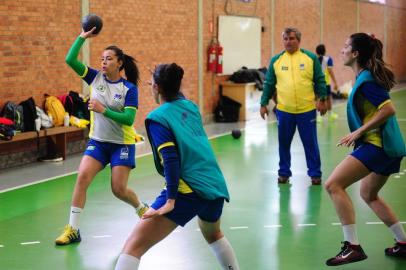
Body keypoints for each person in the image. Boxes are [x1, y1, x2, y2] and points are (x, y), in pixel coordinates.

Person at [114, 63, 240, 270]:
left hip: (187, 190)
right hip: (214, 185)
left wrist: (171, 199)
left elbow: (171, 160)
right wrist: (163, 83)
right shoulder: (190, 106)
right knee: (213, 233)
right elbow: (174, 95)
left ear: (156, 88)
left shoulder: (157, 119)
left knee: (132, 246)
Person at [55, 27, 148, 245]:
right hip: (98, 141)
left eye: (109, 59)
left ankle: (141, 207)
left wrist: (102, 109)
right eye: (102, 59)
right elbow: (70, 59)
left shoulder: (129, 89)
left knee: (118, 189)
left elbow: (128, 119)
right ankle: (73, 229)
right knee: (82, 178)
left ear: (120, 63)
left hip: (121, 144)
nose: (104, 62)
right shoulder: (95, 78)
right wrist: (81, 37)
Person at [324, 33, 406, 266]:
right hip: (387, 149)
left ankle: (353, 247)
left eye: (346, 46)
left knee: (333, 185)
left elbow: (388, 109)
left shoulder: (367, 80)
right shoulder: (363, 77)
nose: (342, 50)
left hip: (377, 146)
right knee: (368, 194)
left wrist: (359, 132)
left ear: (356, 53)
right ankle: (403, 243)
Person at [260, 27, 327, 185]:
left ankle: (315, 174)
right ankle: (284, 173)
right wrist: (263, 103)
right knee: (283, 144)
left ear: (299, 40)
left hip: (307, 111)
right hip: (284, 111)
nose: (288, 42)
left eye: (291, 38)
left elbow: (320, 80)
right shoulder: (276, 60)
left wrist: (322, 99)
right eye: (285, 39)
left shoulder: (310, 58)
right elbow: (269, 83)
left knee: (310, 144)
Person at [315, 44, 339, 122]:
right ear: (324, 51)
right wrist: (335, 82)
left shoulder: (314, 59)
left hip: (317, 83)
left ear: (316, 51)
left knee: (318, 98)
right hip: (326, 83)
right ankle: (330, 115)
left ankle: (318, 116)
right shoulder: (328, 59)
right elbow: (330, 71)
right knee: (328, 98)